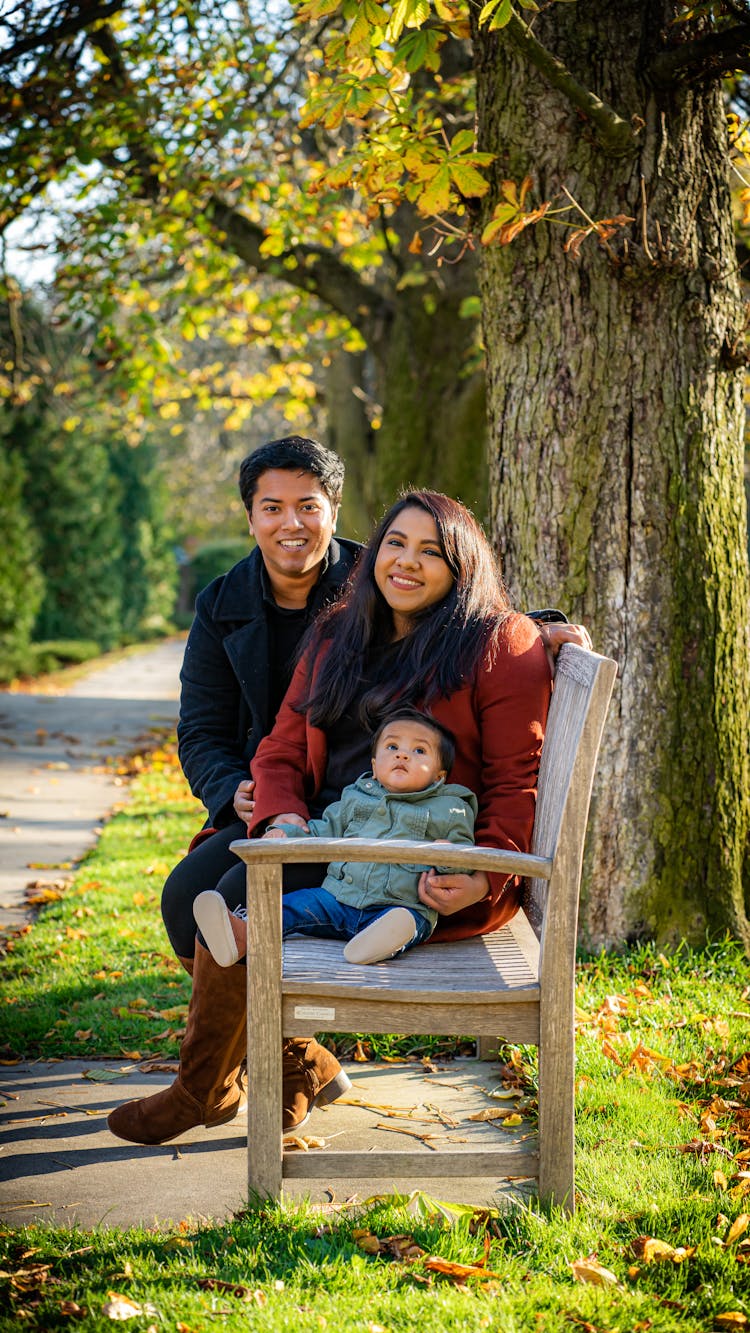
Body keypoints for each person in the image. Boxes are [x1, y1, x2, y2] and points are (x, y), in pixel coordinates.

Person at [107, 438, 588, 1148]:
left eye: (432, 551)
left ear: (463, 566)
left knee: (241, 902)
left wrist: (485, 877)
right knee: (188, 900)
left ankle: (202, 1088)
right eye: (396, 543)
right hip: (320, 829)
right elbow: (276, 744)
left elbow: (517, 784)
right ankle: (296, 1062)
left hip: (404, 854)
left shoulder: (496, 644)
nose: (406, 561)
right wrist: (280, 817)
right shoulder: (342, 630)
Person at [193, 707, 478, 969]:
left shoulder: (450, 808)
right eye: (392, 747)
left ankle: (381, 941)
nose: (402, 755)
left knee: (405, 922)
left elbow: (465, 856)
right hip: (339, 897)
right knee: (292, 907)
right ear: (375, 765)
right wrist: (287, 835)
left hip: (401, 904)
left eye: (419, 751)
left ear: (440, 777)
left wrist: (449, 856)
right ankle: (242, 934)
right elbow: (321, 830)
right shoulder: (356, 798)